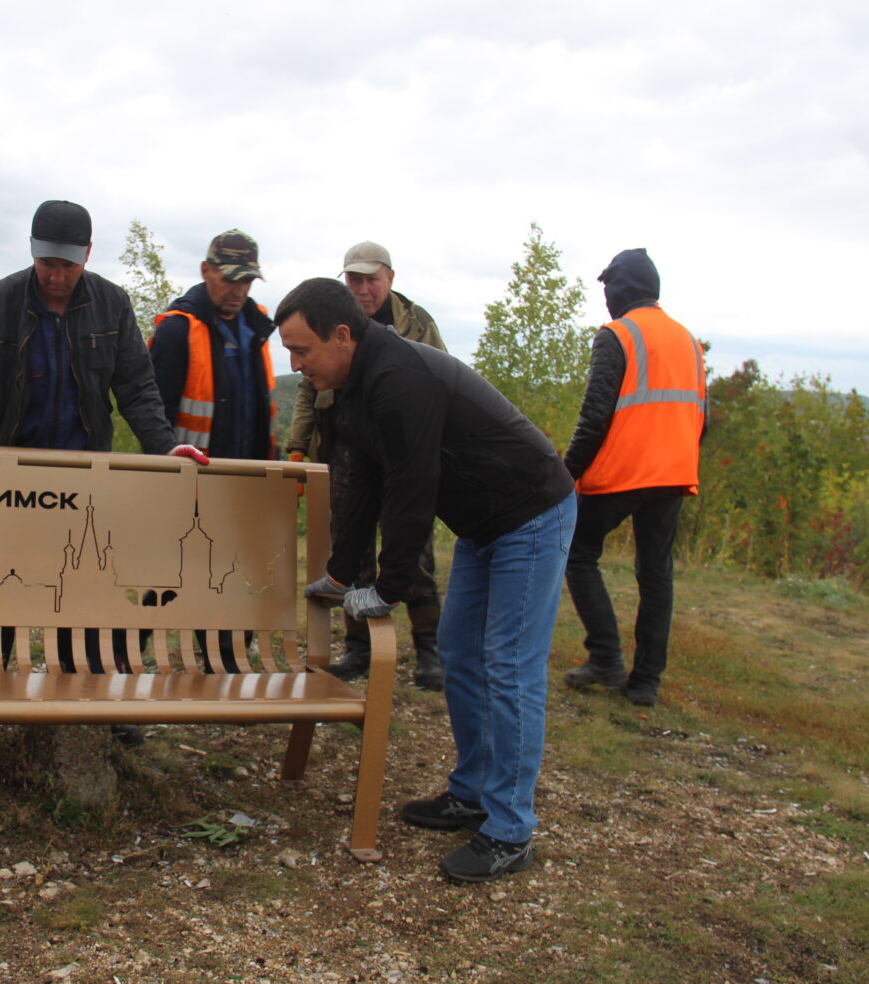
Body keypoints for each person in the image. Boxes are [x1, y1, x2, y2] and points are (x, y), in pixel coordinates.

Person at [0, 199, 206, 746]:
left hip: (86, 479)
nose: (56, 276)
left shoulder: (113, 306)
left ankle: (106, 696)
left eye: (67, 265)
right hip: (7, 477)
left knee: (98, 591)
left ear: (87, 256)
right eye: (47, 262)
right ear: (32, 252)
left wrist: (166, 447)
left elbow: (137, 391)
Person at [278, 277, 574, 884]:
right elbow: (363, 485)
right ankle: (470, 793)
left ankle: (510, 830)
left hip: (531, 512)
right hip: (482, 525)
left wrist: (390, 587)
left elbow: (411, 490)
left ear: (341, 335)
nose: (295, 364)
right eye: (289, 352)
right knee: (463, 657)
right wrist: (339, 574)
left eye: (302, 350)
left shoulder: (398, 379)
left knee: (508, 665)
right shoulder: (351, 386)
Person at [284, 241, 447, 688]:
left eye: (370, 279)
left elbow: (439, 377)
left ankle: (429, 650)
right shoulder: (324, 324)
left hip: (398, 448)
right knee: (349, 548)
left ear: (389, 279)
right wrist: (297, 448)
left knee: (412, 545)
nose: (362, 288)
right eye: (353, 279)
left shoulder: (418, 324)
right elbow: (304, 388)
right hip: (341, 448)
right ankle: (358, 648)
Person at [562, 248, 705, 707]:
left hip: (625, 471)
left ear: (620, 289)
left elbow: (594, 415)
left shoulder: (617, 335)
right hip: (674, 471)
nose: (605, 297)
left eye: (608, 287)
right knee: (656, 574)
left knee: (578, 553)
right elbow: (701, 414)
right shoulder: (687, 339)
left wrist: (565, 474)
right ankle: (645, 683)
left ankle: (605, 659)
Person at [149, 229, 276, 460]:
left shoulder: (258, 326)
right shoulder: (177, 330)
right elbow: (154, 418)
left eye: (247, 280)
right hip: (194, 477)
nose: (239, 291)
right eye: (230, 279)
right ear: (205, 271)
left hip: (254, 475)